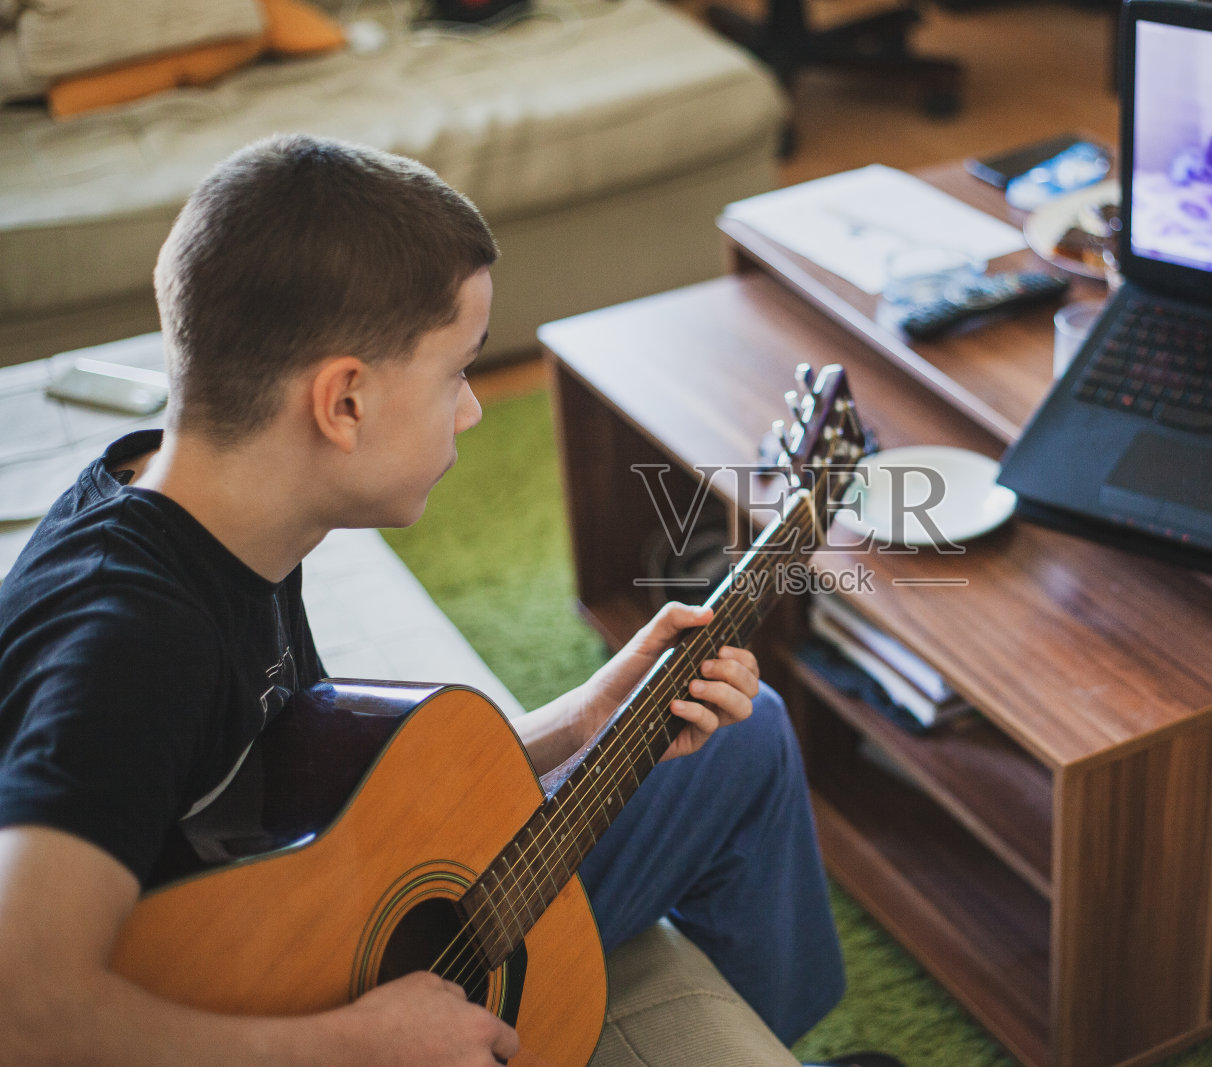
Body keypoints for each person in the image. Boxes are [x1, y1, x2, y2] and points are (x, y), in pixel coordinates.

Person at [0, 134, 866, 1065]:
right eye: (456, 371)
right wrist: (356, 1045)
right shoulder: (125, 642)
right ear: (344, 403)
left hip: (306, 944)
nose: (474, 408)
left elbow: (319, 807)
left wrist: (585, 717)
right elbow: (25, 1014)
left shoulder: (228, 507)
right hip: (277, 1029)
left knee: (741, 737)